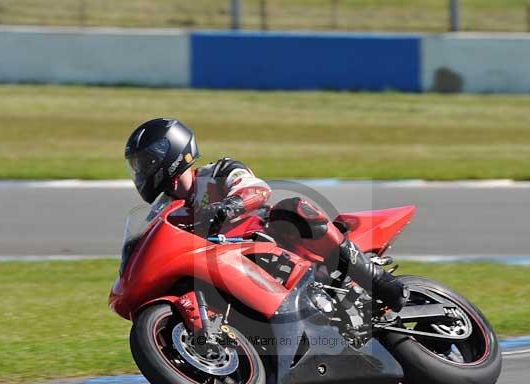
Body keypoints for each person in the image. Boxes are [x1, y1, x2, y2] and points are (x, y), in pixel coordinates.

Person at [124, 118, 409, 312]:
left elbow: (256, 190)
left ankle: (378, 281)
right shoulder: (167, 210)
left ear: (171, 152)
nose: (142, 172)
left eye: (145, 163)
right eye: (137, 167)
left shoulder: (218, 172)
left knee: (294, 209)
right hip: (226, 268)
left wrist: (228, 207)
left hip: (275, 246)